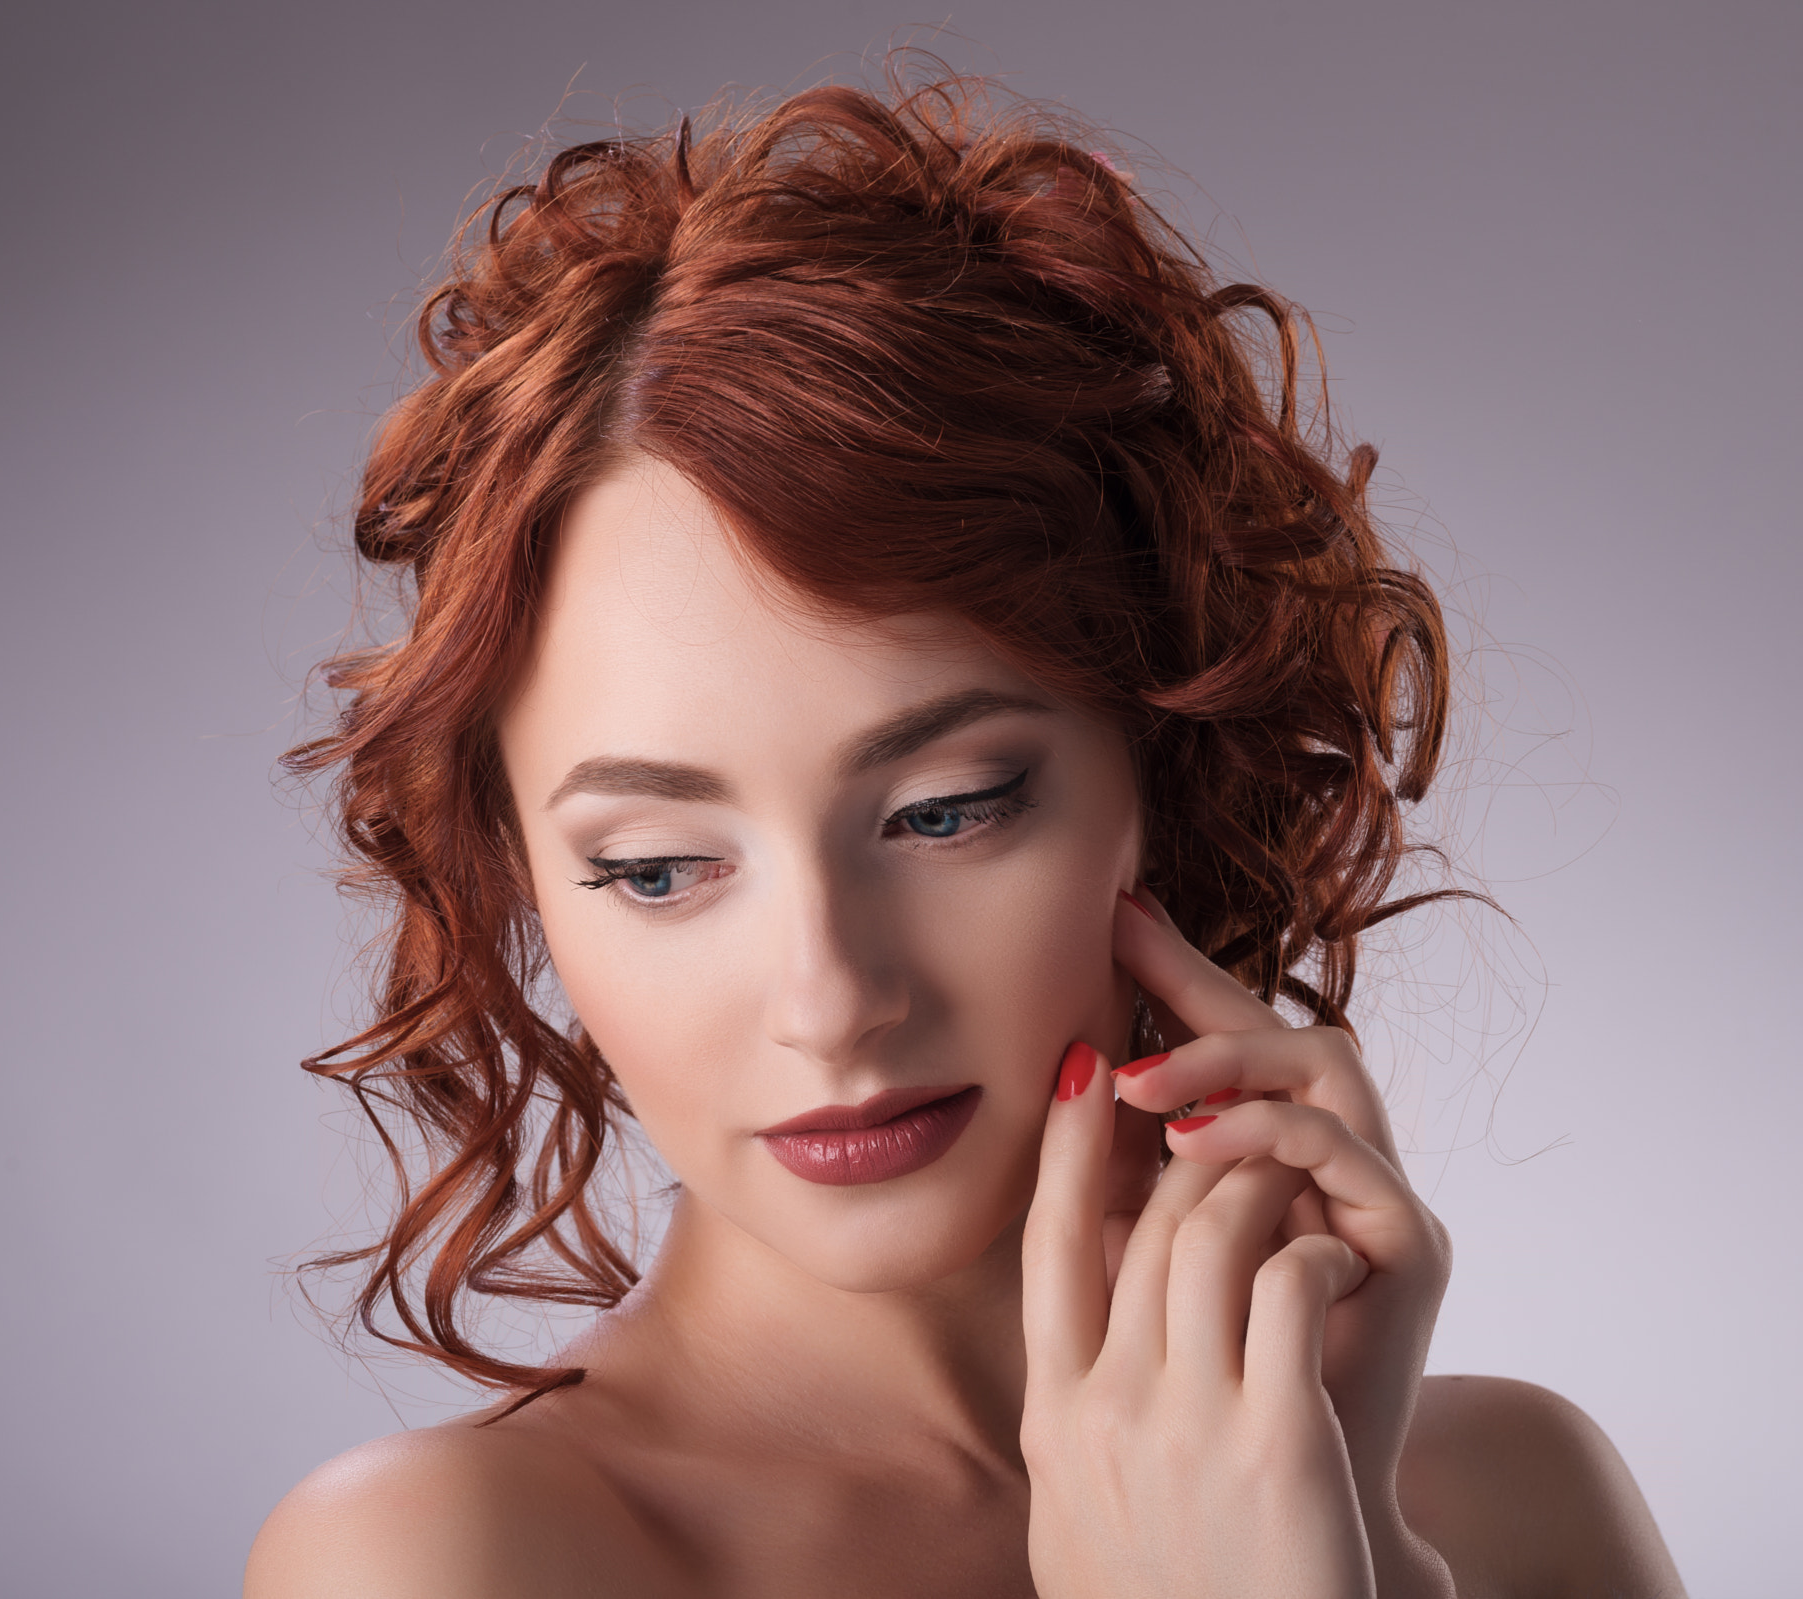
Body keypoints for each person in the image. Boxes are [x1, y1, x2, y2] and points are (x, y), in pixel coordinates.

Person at [246, 72, 1685, 1598]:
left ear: (1164, 767)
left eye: (945, 812)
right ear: (522, 878)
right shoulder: (453, 1560)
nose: (832, 999)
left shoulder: (1512, 1507)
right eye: (656, 868)